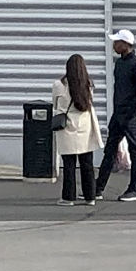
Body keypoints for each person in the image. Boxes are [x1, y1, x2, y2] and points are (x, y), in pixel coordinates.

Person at [93, 29, 136, 202]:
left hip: (129, 116)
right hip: (118, 115)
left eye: (117, 42)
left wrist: (130, 114)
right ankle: (98, 188)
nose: (114, 45)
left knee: (135, 151)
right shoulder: (120, 64)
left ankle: (134, 189)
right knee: (109, 150)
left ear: (125, 44)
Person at [51, 52, 102, 207]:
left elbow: (55, 104)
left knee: (69, 164)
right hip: (85, 127)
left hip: (67, 127)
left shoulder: (59, 85)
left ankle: (68, 197)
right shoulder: (89, 84)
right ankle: (90, 197)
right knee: (87, 164)